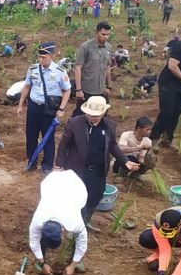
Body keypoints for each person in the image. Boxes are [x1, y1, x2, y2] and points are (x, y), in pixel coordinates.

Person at [56, 97, 139, 231]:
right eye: (89, 114)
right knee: (75, 196)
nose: (92, 117)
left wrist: (125, 161)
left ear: (103, 113)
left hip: (98, 169)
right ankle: (74, 224)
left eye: (95, 115)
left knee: (96, 195)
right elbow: (63, 144)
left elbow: (113, 146)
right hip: (77, 168)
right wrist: (59, 165)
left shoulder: (109, 126)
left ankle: (85, 220)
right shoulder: (75, 123)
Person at [17, 42, 71, 174]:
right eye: (39, 57)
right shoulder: (33, 69)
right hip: (34, 106)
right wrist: (20, 104)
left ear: (51, 56)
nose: (41, 60)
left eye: (44, 57)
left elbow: (67, 90)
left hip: (49, 109)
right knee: (31, 135)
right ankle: (31, 162)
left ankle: (47, 165)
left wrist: (62, 109)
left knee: (47, 137)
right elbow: (27, 86)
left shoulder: (59, 72)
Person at [29, 170, 88, 275]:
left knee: (83, 219)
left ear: (62, 230)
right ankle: (39, 261)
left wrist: (73, 266)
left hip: (76, 188)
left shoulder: (75, 221)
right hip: (51, 183)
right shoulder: (38, 219)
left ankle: (76, 261)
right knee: (39, 241)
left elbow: (82, 243)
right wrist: (43, 264)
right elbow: (34, 240)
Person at [73, 22, 112, 117]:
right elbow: (78, 67)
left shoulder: (108, 47)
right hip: (87, 90)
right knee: (81, 116)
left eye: (108, 34)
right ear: (96, 33)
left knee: (102, 114)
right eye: (103, 34)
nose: (106, 37)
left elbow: (108, 67)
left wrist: (109, 86)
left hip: (101, 90)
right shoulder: (86, 47)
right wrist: (78, 90)